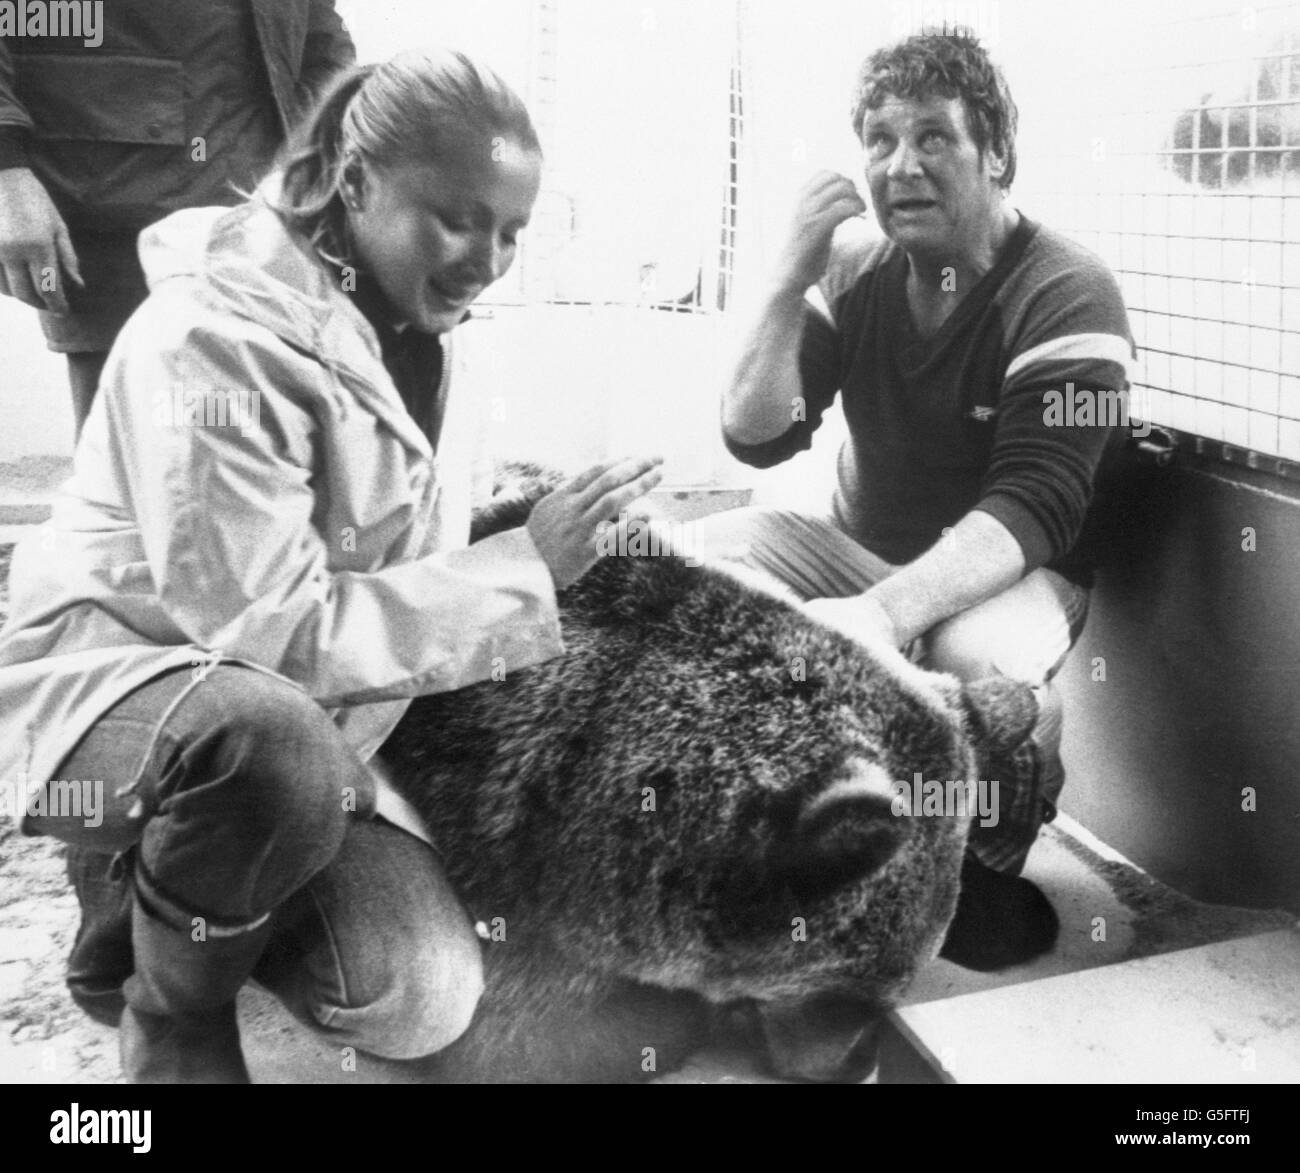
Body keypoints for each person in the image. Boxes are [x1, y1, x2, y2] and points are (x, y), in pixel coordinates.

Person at [0, 48, 663, 1083]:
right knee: (266, 744)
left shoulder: (430, 332)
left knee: (415, 994)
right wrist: (524, 569)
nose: (486, 255)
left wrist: (534, 562)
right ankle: (168, 1005)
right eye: (455, 217)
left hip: (302, 730)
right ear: (354, 185)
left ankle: (181, 896)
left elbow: (407, 570)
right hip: (128, 690)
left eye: (510, 230)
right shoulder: (208, 342)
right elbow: (267, 637)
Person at [711, 28, 1135, 883]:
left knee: (967, 663)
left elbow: (1036, 505)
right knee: (703, 567)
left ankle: (1008, 813)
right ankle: (788, 830)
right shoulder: (858, 269)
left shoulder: (1063, 289)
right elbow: (757, 434)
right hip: (864, 550)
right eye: (881, 141)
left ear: (996, 153)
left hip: (1016, 573)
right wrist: (787, 277)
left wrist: (879, 615)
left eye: (933, 136)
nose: (901, 165)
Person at [0, 0, 356, 439]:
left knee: (249, 449)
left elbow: (319, 35)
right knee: (138, 462)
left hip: (266, 199)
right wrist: (6, 173)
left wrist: (325, 145)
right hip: (117, 198)